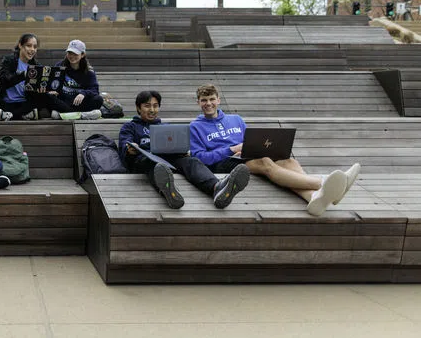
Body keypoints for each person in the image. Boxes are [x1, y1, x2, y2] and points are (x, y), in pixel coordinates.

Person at [189, 84, 360, 217]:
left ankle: (313, 198)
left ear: (218, 100)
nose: (208, 104)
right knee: (266, 163)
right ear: (198, 103)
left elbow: (251, 140)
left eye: (212, 99)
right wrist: (231, 149)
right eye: (204, 100)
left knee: (289, 160)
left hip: (247, 155)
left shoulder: (236, 119)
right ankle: (323, 182)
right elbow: (200, 158)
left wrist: (254, 147)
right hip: (224, 163)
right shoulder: (195, 127)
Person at [118, 90, 249, 209]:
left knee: (191, 161)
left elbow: (175, 146)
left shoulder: (165, 127)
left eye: (155, 106)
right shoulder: (130, 127)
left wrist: (183, 151)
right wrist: (130, 148)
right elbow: (125, 144)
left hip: (167, 158)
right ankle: (170, 192)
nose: (152, 109)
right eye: (147, 106)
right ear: (138, 108)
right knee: (155, 164)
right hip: (143, 161)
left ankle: (216, 188)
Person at [0, 33, 61, 121]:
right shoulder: (9, 60)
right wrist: (23, 75)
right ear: (20, 45)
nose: (32, 49)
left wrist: (46, 90)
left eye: (35, 47)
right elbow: (4, 80)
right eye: (29, 46)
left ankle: (9, 116)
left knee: (46, 97)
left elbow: (36, 90)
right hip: (7, 103)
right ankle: (25, 115)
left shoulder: (36, 65)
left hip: (25, 104)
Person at [49, 39, 104, 120]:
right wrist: (53, 90)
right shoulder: (59, 66)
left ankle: (63, 115)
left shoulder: (89, 71)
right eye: (70, 53)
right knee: (49, 97)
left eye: (75, 54)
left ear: (82, 55)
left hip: (79, 103)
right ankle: (83, 115)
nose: (72, 56)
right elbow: (53, 83)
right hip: (64, 101)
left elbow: (95, 90)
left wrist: (83, 93)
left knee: (98, 99)